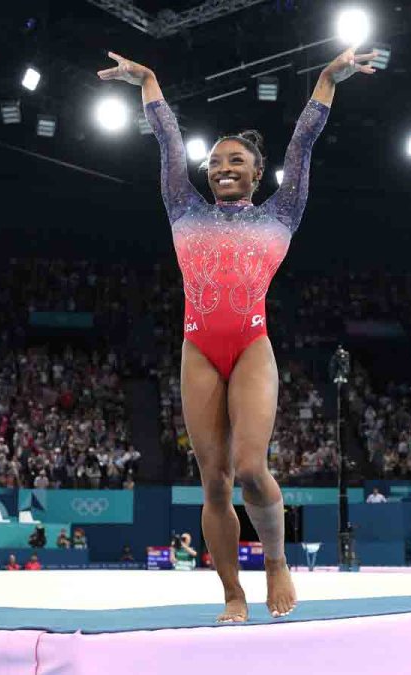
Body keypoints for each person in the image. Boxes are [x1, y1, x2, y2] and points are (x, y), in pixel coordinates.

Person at [98, 44, 378, 623]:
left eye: (237, 161)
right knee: (215, 483)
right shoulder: (182, 206)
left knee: (252, 467)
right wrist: (148, 81)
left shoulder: (283, 212)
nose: (223, 167)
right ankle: (232, 592)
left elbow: (303, 145)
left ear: (257, 171)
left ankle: (276, 563)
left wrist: (327, 77)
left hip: (251, 345)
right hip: (198, 347)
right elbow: (169, 145)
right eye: (217, 162)